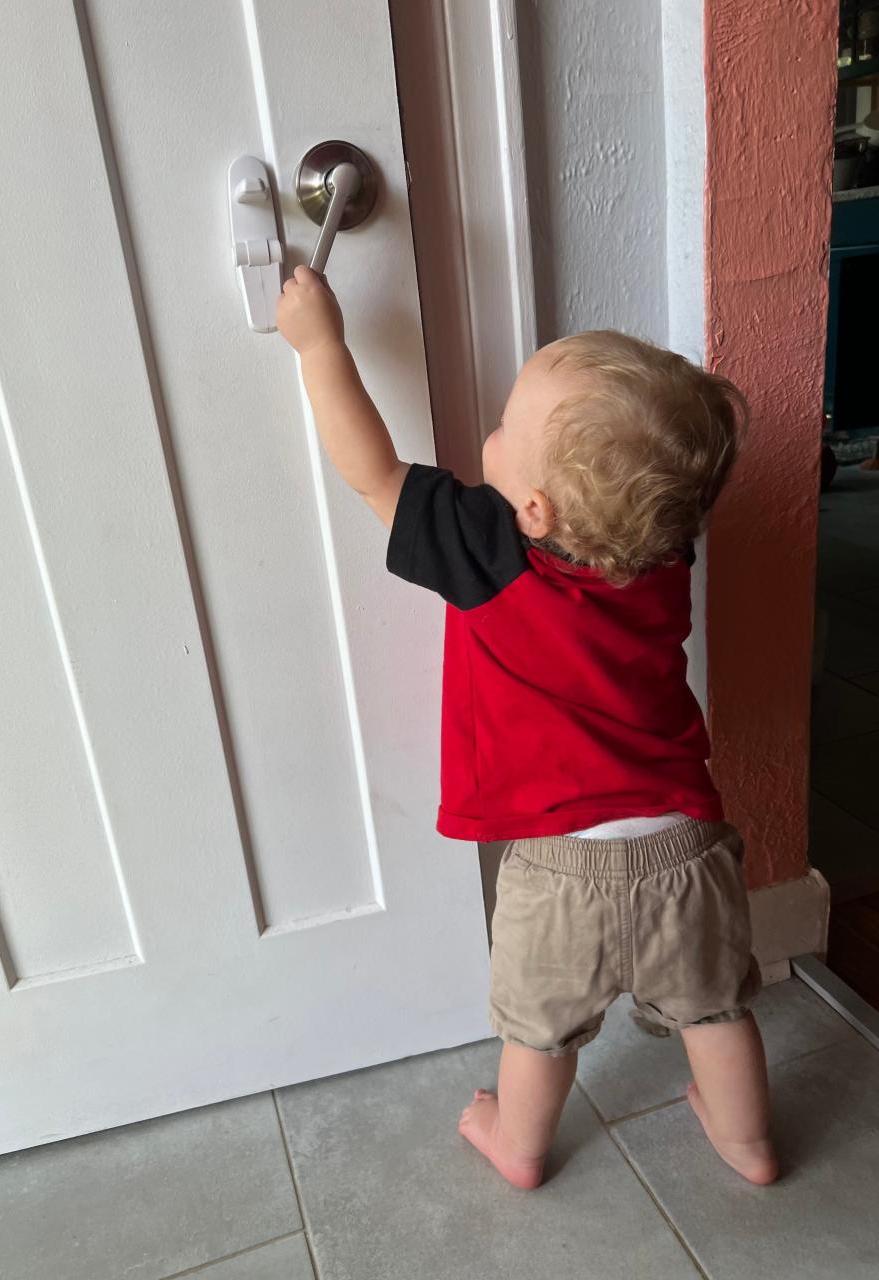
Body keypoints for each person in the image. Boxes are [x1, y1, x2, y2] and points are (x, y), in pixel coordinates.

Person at [276, 265, 778, 1190]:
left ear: (536, 511)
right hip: (688, 849)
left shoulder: (495, 552)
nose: (490, 433)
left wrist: (320, 345)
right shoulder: (661, 553)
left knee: (538, 1031)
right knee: (716, 1013)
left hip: (561, 872)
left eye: (505, 425)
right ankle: (747, 1142)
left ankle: (518, 1143)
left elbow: (372, 473)